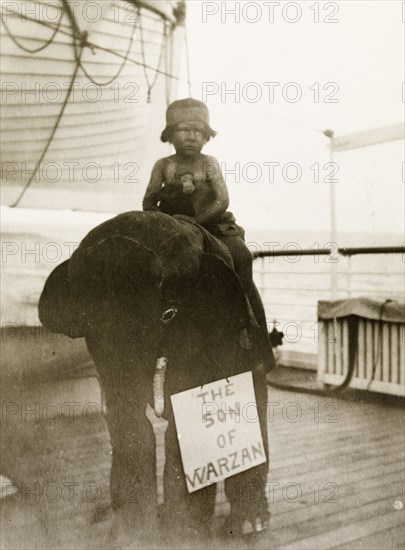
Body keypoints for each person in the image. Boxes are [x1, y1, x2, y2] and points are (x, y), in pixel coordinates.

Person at [142, 98, 274, 371]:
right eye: (184, 129)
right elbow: (148, 202)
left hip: (213, 224)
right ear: (170, 134)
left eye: (198, 131)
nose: (191, 136)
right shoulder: (163, 166)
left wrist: (198, 223)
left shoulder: (209, 163)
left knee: (241, 256)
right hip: (173, 229)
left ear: (206, 136)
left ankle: (246, 321)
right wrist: (169, 224)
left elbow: (222, 200)